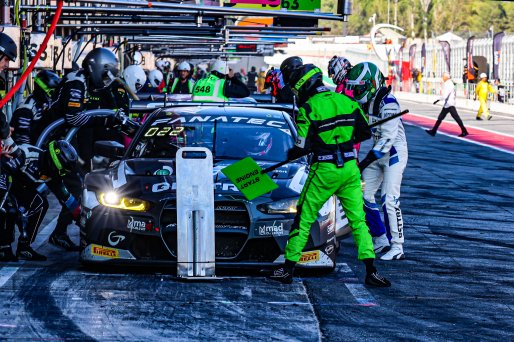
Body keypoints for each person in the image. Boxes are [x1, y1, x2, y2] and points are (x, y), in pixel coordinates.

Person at [268, 63, 391, 287]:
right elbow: (363, 132)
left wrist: (312, 146)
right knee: (358, 221)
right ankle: (371, 271)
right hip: (349, 170)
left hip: (324, 171)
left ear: (303, 87)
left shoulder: (308, 108)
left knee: (303, 219)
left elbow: (301, 147)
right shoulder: (347, 101)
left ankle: (287, 270)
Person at [346, 62, 408, 261]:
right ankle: (380, 237)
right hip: (377, 152)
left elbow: (388, 139)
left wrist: (363, 162)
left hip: (394, 153)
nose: (356, 91)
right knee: (363, 194)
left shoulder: (389, 103)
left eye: (359, 87)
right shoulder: (367, 102)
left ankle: (397, 245)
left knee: (390, 200)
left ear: (371, 83)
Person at [0, 140, 81, 261]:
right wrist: (5, 199)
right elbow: (3, 168)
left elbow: (66, 197)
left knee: (41, 203)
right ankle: (3, 247)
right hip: (5, 180)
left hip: (20, 188)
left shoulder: (52, 173)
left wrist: (82, 219)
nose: (62, 174)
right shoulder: (26, 155)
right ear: (53, 163)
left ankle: (24, 247)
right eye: (62, 169)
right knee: (9, 209)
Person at [426, 72, 468, 137]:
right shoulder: (449, 83)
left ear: (446, 77)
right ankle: (433, 131)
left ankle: (464, 131)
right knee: (441, 118)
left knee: (455, 118)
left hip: (449, 104)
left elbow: (445, 95)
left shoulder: (448, 84)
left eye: (443, 76)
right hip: (448, 104)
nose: (442, 78)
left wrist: (438, 100)